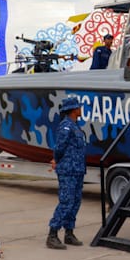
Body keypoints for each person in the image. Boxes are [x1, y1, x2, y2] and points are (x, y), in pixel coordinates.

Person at [47, 96, 87, 249]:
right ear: (73, 109)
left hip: (77, 170)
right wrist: (56, 160)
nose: (80, 109)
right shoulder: (66, 126)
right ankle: (52, 234)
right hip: (68, 170)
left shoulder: (76, 126)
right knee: (66, 202)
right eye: (78, 107)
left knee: (75, 202)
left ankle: (69, 233)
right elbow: (59, 148)